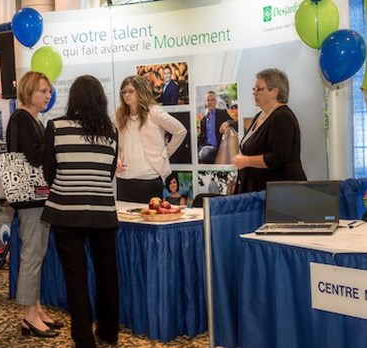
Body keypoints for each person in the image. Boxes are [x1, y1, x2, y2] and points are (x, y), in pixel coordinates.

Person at [42, 75, 119, 348]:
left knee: (76, 277)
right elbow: (109, 173)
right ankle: (109, 332)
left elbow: (49, 172)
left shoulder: (56, 127)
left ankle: (83, 339)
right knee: (107, 274)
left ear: (73, 98)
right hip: (102, 212)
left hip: (66, 211)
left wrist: (69, 188)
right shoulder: (111, 131)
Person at [5, 71, 61, 338]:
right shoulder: (23, 119)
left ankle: (36, 309)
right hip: (31, 199)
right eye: (42, 91)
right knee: (31, 256)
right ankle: (28, 316)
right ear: (28, 91)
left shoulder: (33, 120)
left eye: (48, 91)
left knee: (37, 254)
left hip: (38, 197)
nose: (47, 95)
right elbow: (36, 157)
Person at [114, 75, 187, 203]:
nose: (126, 95)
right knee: (125, 221)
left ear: (141, 91)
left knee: (150, 218)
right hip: (124, 178)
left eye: (131, 91)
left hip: (149, 178)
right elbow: (112, 141)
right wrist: (117, 160)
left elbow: (180, 131)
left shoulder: (154, 112)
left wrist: (165, 154)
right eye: (124, 92)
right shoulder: (118, 116)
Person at [232, 68, 306, 193]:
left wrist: (246, 161)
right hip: (258, 190)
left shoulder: (282, 117)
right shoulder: (260, 116)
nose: (254, 93)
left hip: (280, 195)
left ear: (274, 92)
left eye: (259, 89)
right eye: (254, 89)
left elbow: (278, 157)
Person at [197, 91, 238, 164]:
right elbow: (202, 136)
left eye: (212, 100)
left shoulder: (222, 113)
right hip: (205, 147)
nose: (210, 102)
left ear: (215, 101)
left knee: (204, 154)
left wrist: (228, 123)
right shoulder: (204, 118)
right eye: (208, 100)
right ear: (205, 102)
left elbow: (235, 124)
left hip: (218, 148)